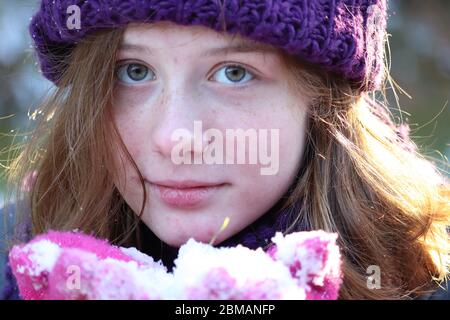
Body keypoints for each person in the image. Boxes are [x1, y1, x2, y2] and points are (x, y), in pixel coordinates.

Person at [1, 0, 449, 300]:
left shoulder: (427, 282)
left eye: (234, 72)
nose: (175, 138)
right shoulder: (18, 259)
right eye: (133, 70)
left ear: (322, 96)